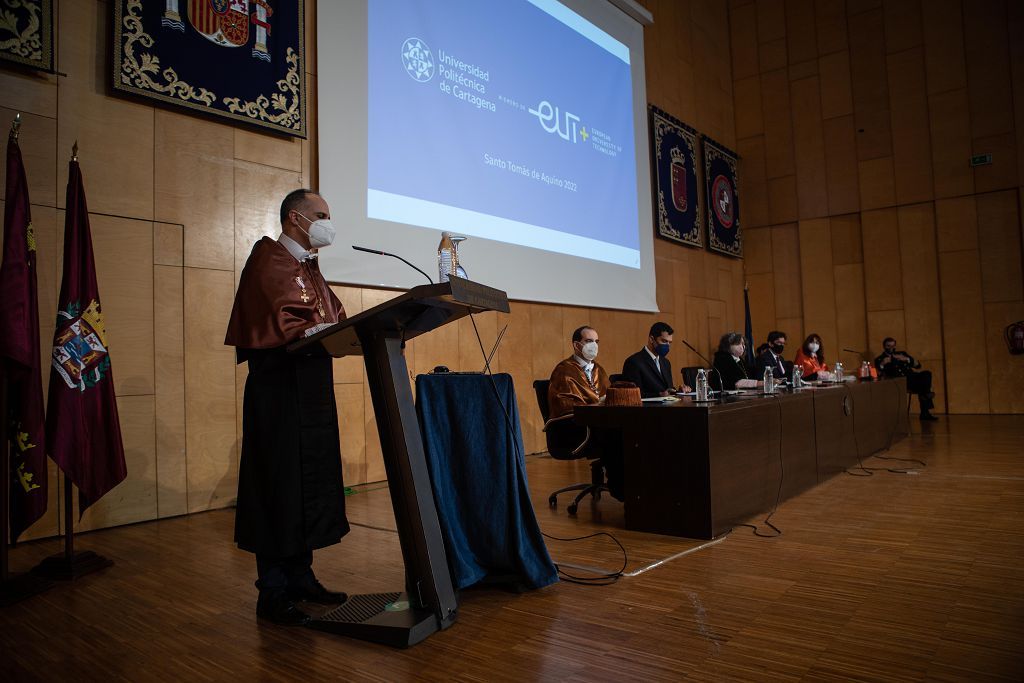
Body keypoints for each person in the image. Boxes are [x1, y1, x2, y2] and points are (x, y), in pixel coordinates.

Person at [224, 189, 350, 626]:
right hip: (278, 389)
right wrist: (321, 325)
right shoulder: (270, 259)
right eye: (322, 214)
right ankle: (272, 590)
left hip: (310, 386)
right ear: (296, 218)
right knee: (279, 483)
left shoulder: (307, 265)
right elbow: (286, 319)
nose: (328, 222)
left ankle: (301, 577)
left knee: (307, 483)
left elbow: (332, 313)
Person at [547, 325, 623, 500]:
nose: (594, 345)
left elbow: (608, 396)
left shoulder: (599, 370)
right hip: (573, 430)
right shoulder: (564, 370)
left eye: (596, 341)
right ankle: (620, 488)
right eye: (589, 341)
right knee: (616, 437)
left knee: (626, 432)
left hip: (598, 425)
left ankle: (629, 486)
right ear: (576, 345)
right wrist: (598, 404)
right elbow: (565, 406)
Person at [621, 321, 691, 398]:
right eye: (664, 341)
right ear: (651, 339)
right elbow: (632, 395)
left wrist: (678, 391)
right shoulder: (633, 362)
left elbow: (667, 390)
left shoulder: (666, 362)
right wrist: (659, 395)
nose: (667, 345)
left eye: (669, 342)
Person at [874, 337, 938, 420]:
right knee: (924, 388)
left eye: (893, 346)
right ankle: (925, 411)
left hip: (912, 377)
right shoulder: (879, 359)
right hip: (899, 382)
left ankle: (926, 395)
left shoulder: (902, 354)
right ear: (884, 347)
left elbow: (918, 366)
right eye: (888, 346)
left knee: (926, 373)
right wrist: (883, 363)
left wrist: (907, 359)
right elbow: (878, 373)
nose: (891, 348)